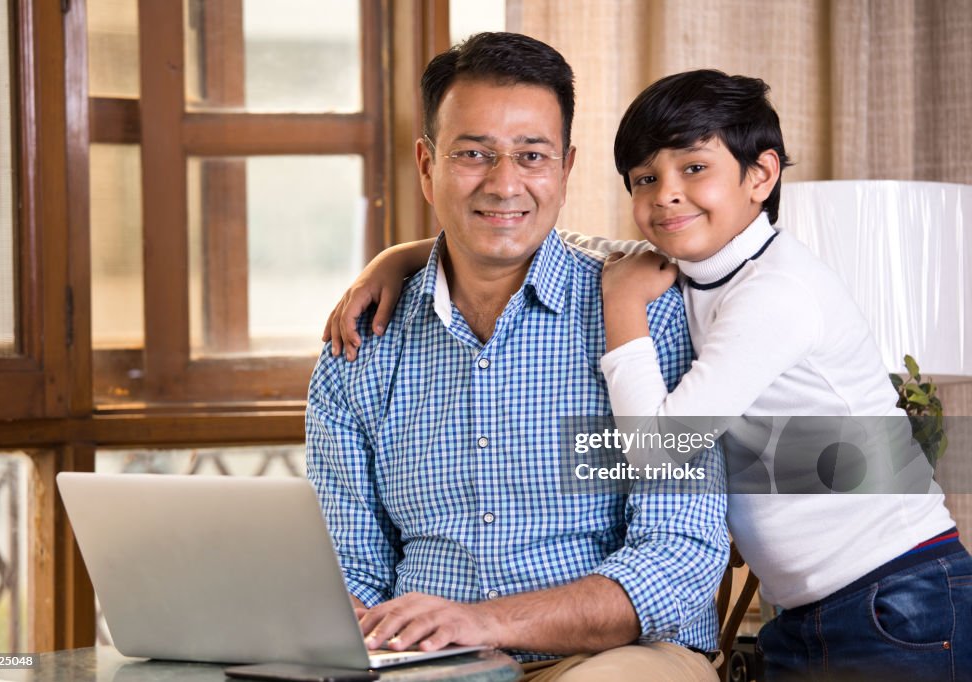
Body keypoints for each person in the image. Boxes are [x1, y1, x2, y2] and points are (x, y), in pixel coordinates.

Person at [329, 68, 970, 681]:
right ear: (427, 165)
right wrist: (400, 257)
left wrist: (624, 307)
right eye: (644, 178)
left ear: (761, 174)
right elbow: (519, 237)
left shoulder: (774, 295)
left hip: (895, 596)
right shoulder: (695, 264)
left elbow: (657, 449)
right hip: (810, 609)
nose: (665, 194)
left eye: (694, 168)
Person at [305, 33, 728, 682]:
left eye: (531, 156)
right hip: (431, 667)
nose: (505, 184)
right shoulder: (362, 347)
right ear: (427, 166)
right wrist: (351, 624)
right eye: (473, 154)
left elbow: (677, 559)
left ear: (564, 168)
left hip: (617, 659)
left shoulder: (647, 311)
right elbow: (349, 569)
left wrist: (486, 621)